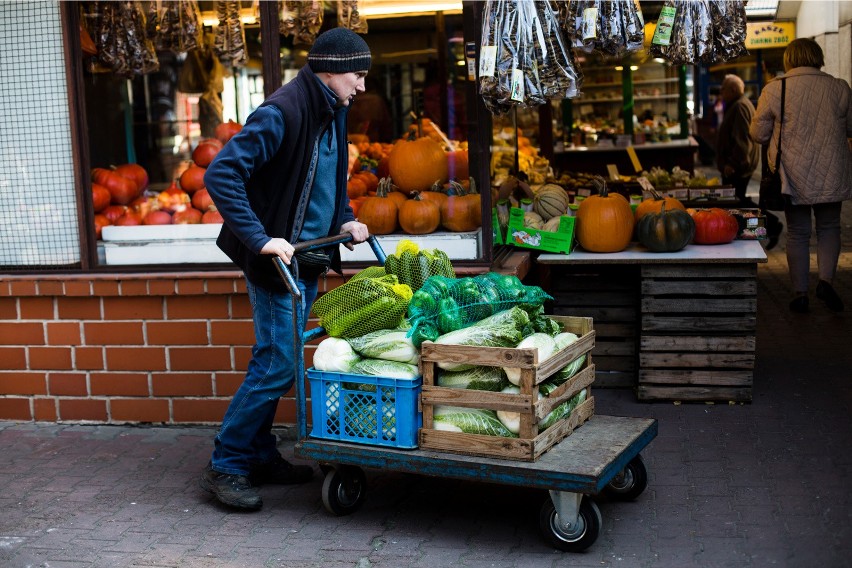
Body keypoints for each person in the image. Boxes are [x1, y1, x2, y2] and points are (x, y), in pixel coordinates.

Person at [199, 27, 372, 511]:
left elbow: (328, 179)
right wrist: (260, 240)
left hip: (310, 255)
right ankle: (227, 464)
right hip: (277, 263)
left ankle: (257, 453)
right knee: (276, 364)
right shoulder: (283, 111)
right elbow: (221, 173)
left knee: (280, 362)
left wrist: (346, 219)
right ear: (333, 70)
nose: (361, 86)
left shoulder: (333, 109)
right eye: (358, 75)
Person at [749, 38, 852, 313]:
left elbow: (758, 134)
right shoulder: (839, 88)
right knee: (829, 227)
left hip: (792, 173)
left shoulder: (775, 89)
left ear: (789, 59)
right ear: (818, 57)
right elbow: (850, 127)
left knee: (798, 233)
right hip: (832, 169)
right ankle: (827, 281)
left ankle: (800, 293)